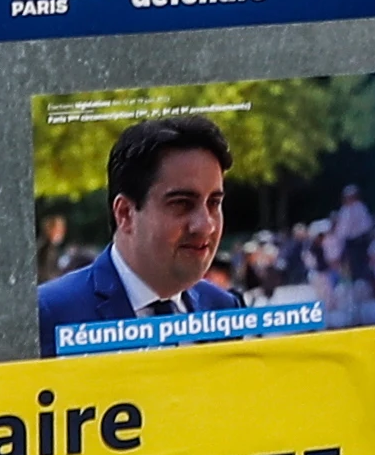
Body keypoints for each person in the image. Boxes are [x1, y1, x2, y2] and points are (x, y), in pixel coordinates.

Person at [35, 114, 244, 336]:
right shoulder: (48, 315)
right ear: (125, 213)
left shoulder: (224, 308)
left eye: (214, 203)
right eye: (182, 203)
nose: (205, 226)